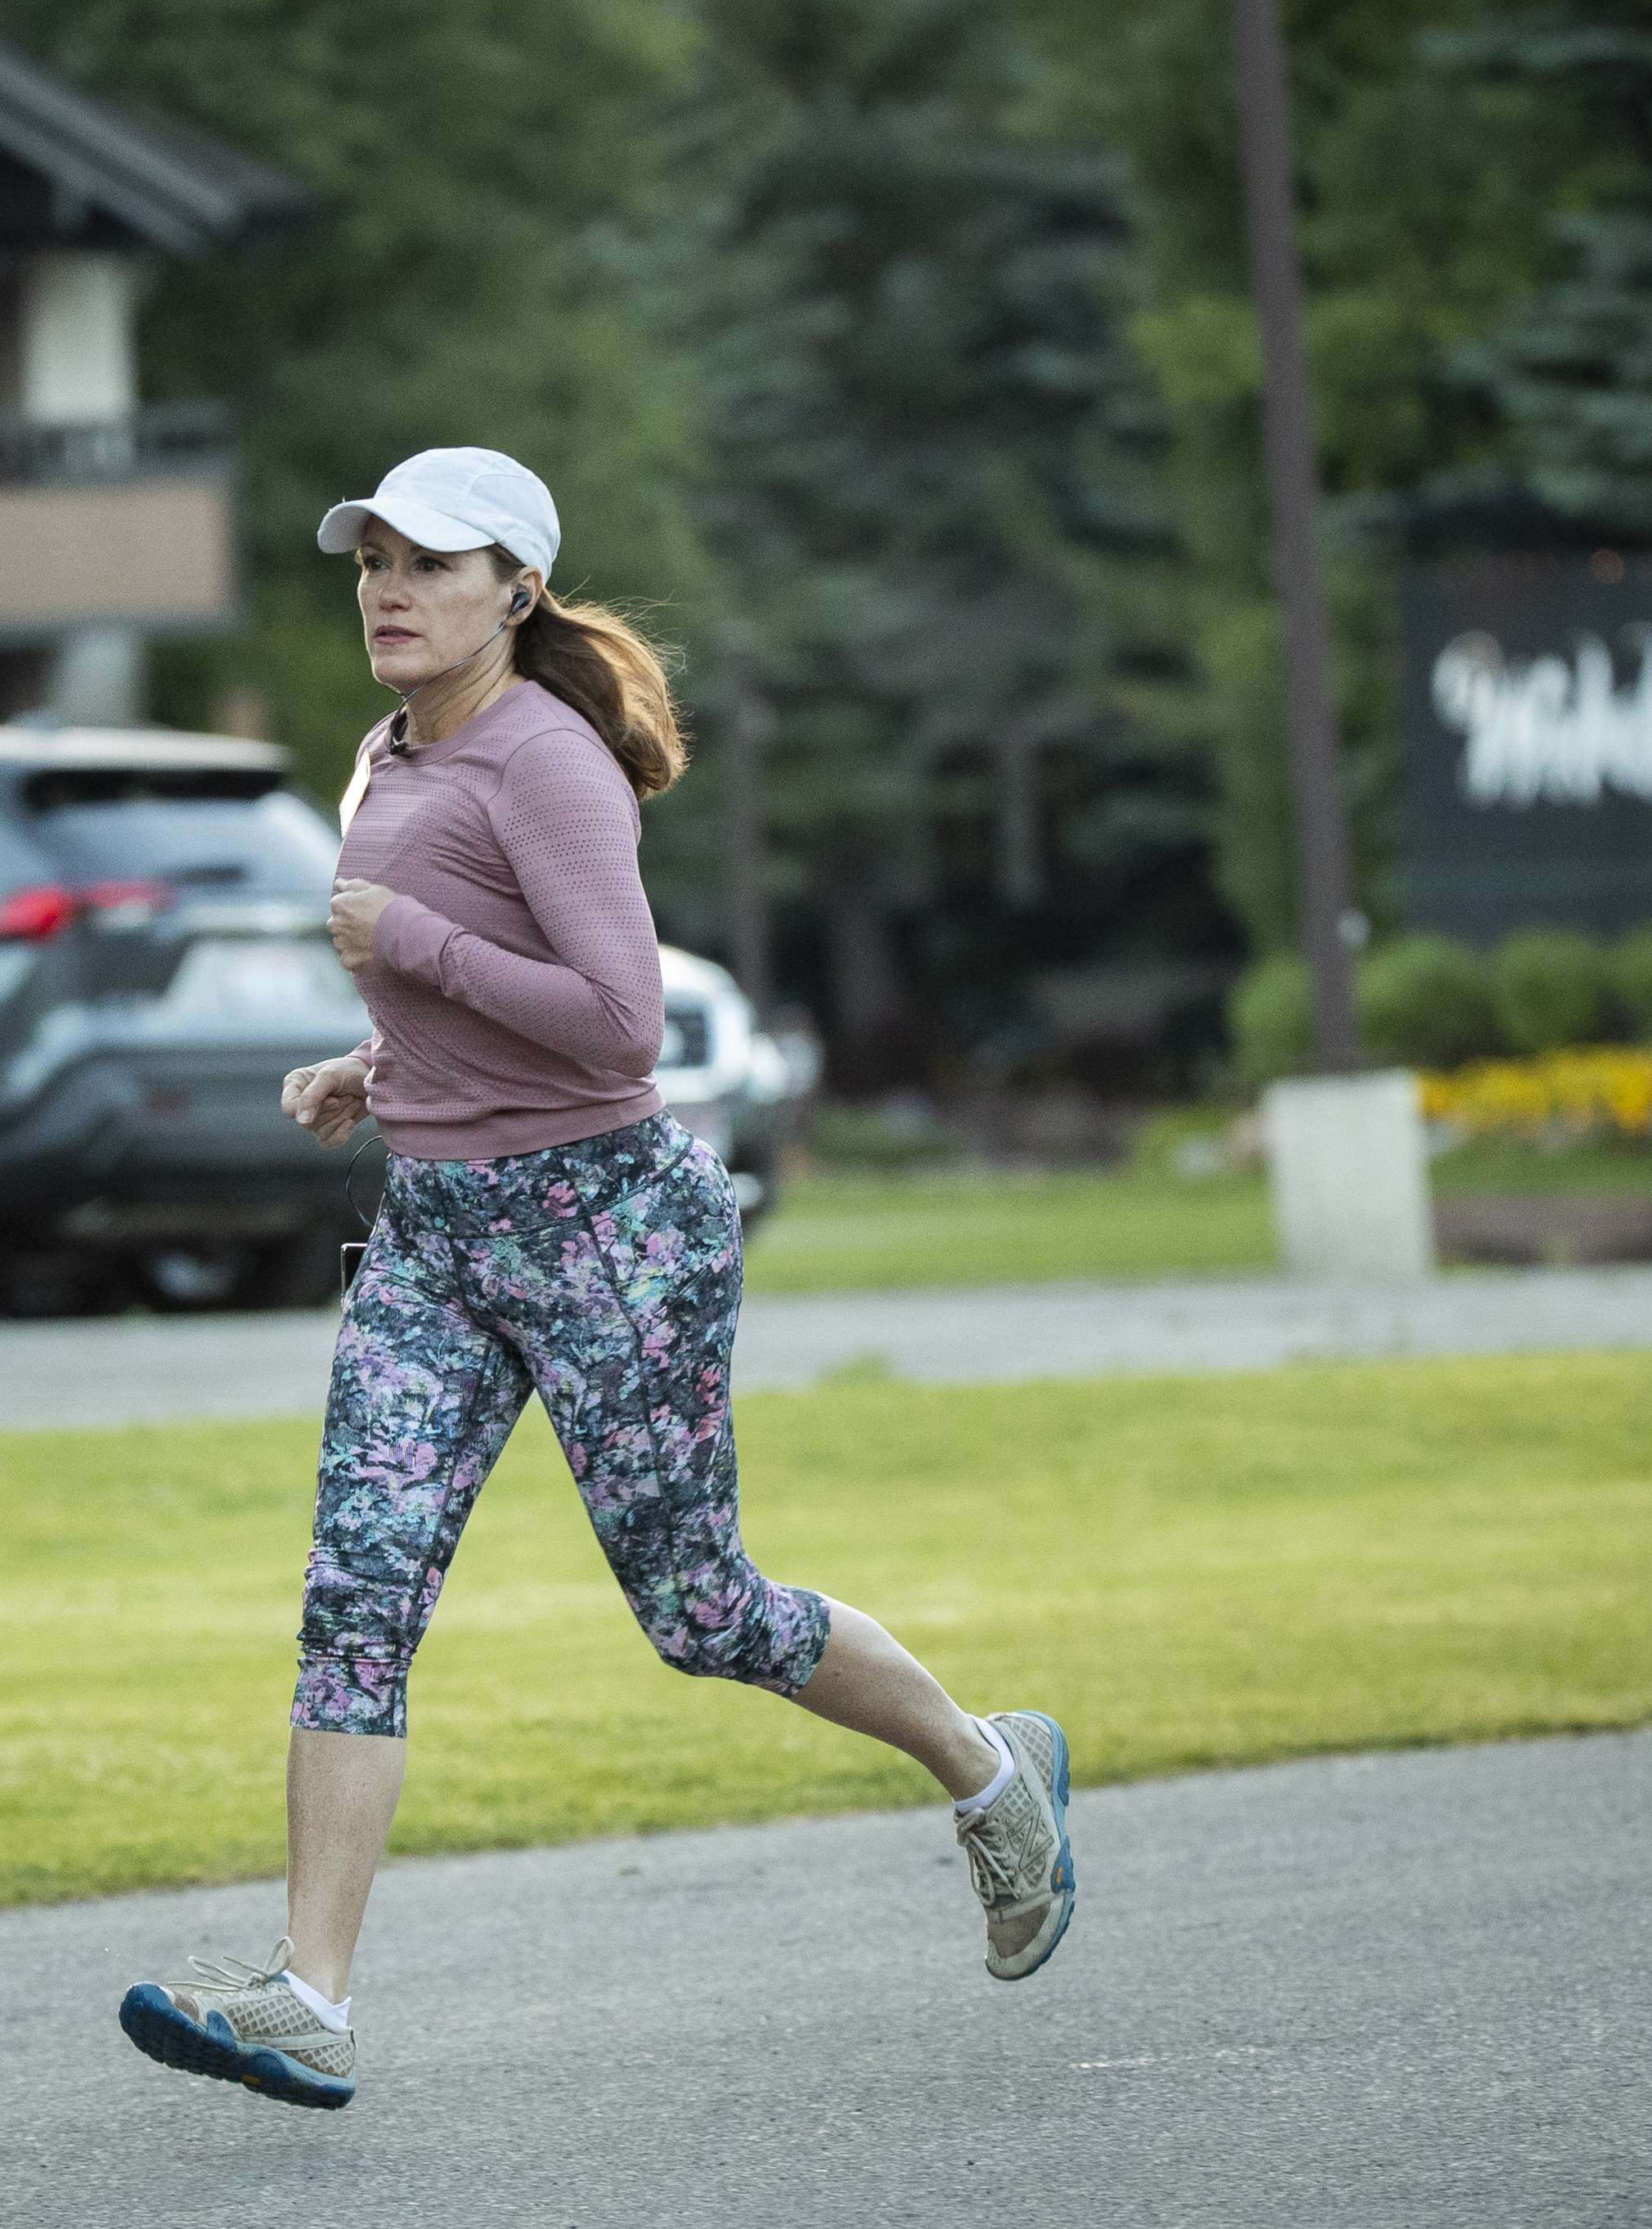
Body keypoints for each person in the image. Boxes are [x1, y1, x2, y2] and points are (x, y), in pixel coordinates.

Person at [115, 448, 1075, 2112]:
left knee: (702, 1612)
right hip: (436, 1236)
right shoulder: (388, 753)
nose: (387, 590)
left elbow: (621, 1025)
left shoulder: (547, 760)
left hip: (609, 1235)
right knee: (358, 1590)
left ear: (518, 590)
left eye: (429, 564)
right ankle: (308, 1995)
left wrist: (406, 948)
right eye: (372, 562)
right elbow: (466, 1001)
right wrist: (375, 1067)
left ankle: (989, 1769)